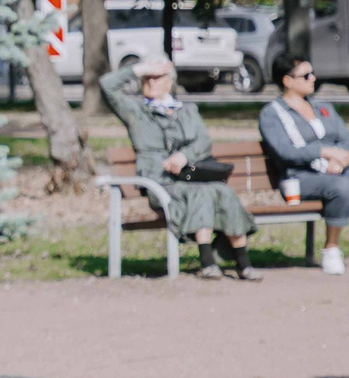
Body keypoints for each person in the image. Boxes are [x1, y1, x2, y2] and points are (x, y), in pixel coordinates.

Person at [103, 57, 257, 280]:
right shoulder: (135, 111)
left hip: (189, 175)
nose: (150, 81)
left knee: (224, 192)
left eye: (157, 77)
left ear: (170, 82)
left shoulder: (187, 110)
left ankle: (244, 263)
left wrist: (184, 157)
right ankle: (207, 262)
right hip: (159, 182)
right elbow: (107, 85)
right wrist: (138, 69)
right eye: (147, 78)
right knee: (201, 193)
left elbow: (203, 141)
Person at [260, 59, 349, 276]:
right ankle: (331, 249)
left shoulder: (323, 107)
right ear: (287, 81)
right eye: (306, 75)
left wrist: (340, 159)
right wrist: (323, 152)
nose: (313, 78)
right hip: (299, 177)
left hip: (337, 171)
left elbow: (347, 140)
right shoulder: (272, 114)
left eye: (312, 73)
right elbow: (286, 152)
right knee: (342, 188)